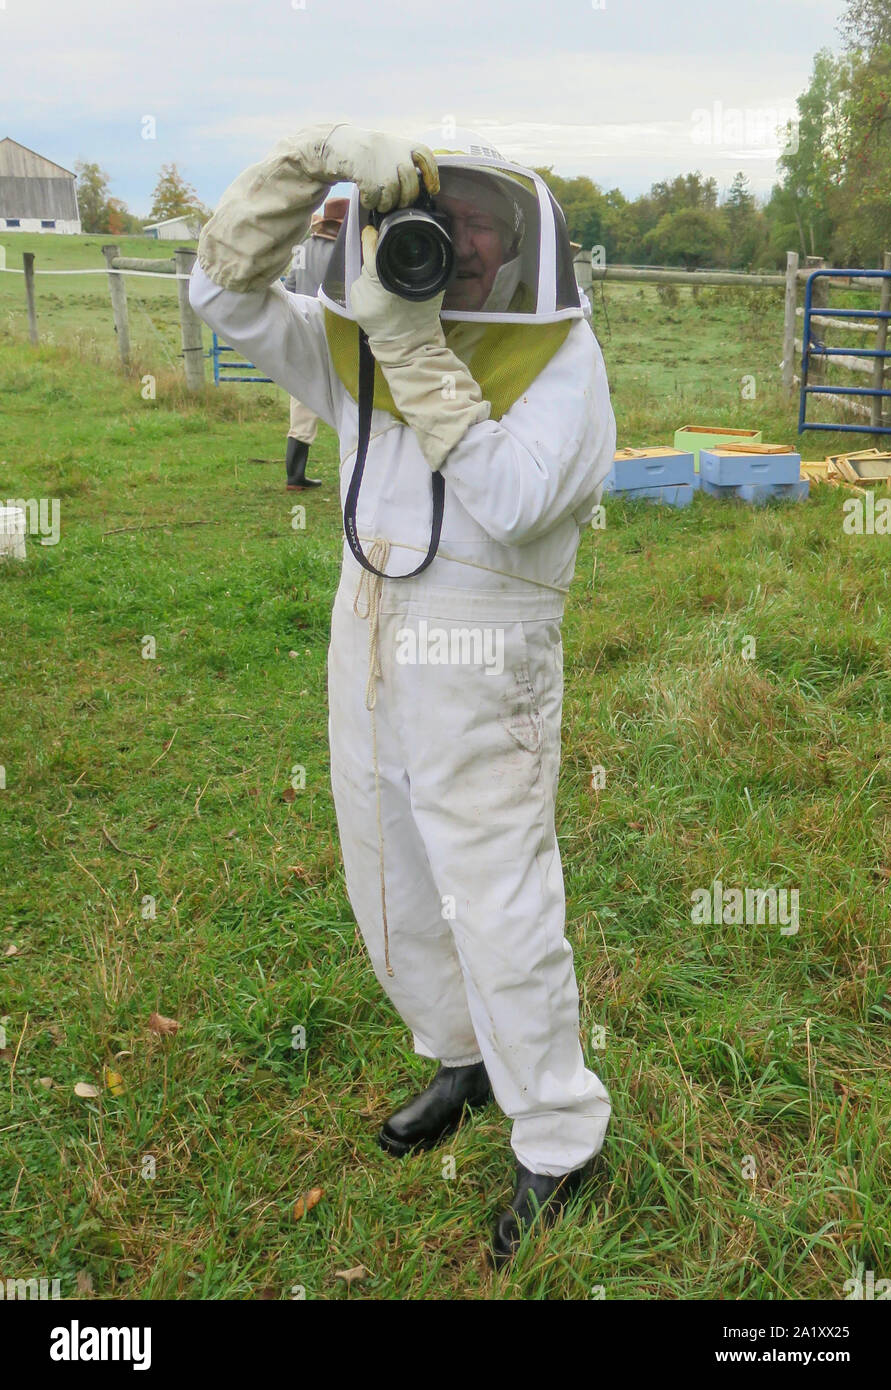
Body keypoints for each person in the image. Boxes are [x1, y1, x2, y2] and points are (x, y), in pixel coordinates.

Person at [189, 123, 616, 1266]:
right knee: (387, 857)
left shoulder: (559, 355)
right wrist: (299, 168)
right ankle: (461, 1052)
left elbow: (521, 497)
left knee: (499, 889)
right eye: (439, 216)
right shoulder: (356, 334)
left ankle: (564, 1138)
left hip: (487, 646)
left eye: (483, 220)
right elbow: (222, 298)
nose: (461, 241)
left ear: (523, 238)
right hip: (367, 618)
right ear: (387, 229)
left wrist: (419, 350)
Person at [282, 197, 348, 489]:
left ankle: (295, 474)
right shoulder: (345, 252)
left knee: (302, 400)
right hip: (337, 331)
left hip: (302, 329)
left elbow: (290, 287)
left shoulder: (302, 249)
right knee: (350, 396)